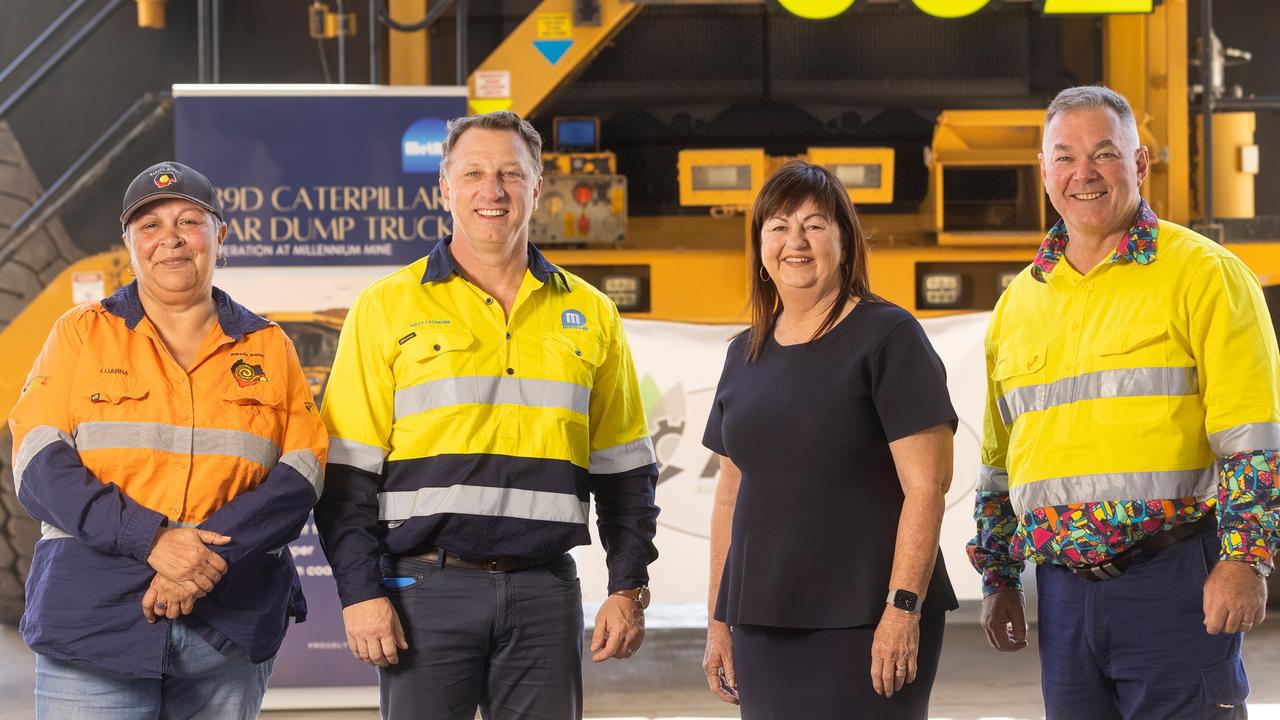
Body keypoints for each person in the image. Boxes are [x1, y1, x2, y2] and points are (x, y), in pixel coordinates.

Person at [314, 110, 660, 720]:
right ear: (444, 189)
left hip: (545, 595)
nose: (492, 191)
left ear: (538, 186)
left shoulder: (593, 312)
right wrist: (359, 594)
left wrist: (627, 587)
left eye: (510, 173)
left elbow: (625, 470)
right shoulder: (384, 308)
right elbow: (345, 475)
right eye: (472, 173)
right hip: (423, 593)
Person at [969, 85, 1278, 719]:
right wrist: (999, 577)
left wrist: (1247, 558)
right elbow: (1001, 461)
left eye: (1104, 153)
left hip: (1176, 583)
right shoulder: (1018, 304)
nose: (1083, 174)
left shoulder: (1204, 274)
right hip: (1061, 595)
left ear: (1139, 164)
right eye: (1064, 157)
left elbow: (1252, 435)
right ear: (1044, 172)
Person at [8, 161, 327, 718]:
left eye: (188, 221)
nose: (171, 240)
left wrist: (197, 560)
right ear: (128, 243)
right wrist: (154, 541)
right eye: (149, 226)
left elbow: (302, 473)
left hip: (226, 630)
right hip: (95, 623)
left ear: (219, 236)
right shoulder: (80, 333)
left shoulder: (270, 346)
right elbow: (38, 463)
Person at [700, 160, 959, 718]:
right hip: (762, 619)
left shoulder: (889, 337)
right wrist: (719, 619)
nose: (795, 241)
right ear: (760, 247)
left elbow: (927, 486)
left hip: (871, 616)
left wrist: (903, 608)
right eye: (778, 226)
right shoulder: (743, 352)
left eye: (815, 224)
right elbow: (729, 495)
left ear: (845, 241)